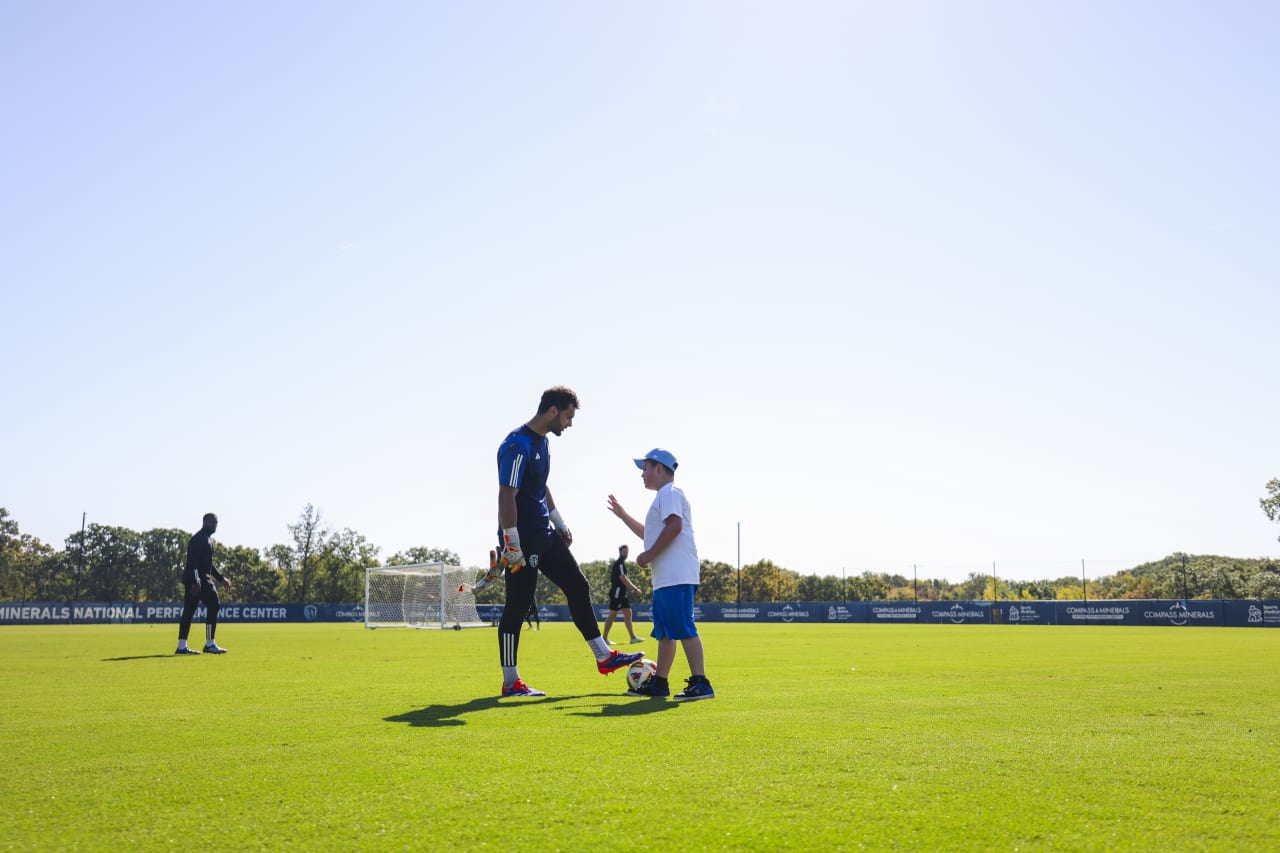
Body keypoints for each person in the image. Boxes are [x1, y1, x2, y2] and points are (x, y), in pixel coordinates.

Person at [494, 386, 644, 697]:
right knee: (518, 606)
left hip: (545, 535)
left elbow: (540, 487)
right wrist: (511, 543)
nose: (569, 423)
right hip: (522, 539)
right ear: (552, 411)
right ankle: (511, 682)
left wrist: (559, 523)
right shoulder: (517, 445)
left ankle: (604, 656)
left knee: (578, 585)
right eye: (568, 417)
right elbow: (507, 494)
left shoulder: (543, 444)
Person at [607, 448, 714, 701]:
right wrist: (623, 515)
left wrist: (649, 555)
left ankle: (701, 682)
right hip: (667, 577)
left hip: (677, 574)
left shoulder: (670, 492)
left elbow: (675, 526)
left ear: (659, 468)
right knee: (665, 631)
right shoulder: (663, 497)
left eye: (645, 468)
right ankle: (660, 683)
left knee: (684, 626)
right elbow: (651, 534)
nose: (642, 474)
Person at [175, 513, 232, 655]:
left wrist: (221, 579)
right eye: (212, 522)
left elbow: (209, 565)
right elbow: (192, 562)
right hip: (199, 580)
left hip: (198, 580)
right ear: (205, 522)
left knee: (190, 611)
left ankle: (182, 646)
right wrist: (196, 582)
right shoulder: (198, 539)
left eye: (216, 523)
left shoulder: (209, 540)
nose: (215, 525)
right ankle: (209, 643)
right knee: (213, 605)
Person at [601, 544, 644, 645]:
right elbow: (623, 578)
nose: (625, 554)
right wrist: (635, 589)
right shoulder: (619, 564)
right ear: (620, 552)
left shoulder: (621, 564)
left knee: (628, 613)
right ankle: (604, 639)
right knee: (612, 615)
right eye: (624, 552)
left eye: (627, 552)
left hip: (622, 593)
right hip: (617, 592)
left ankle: (633, 638)